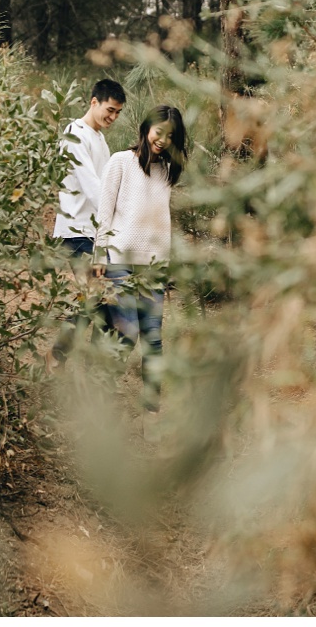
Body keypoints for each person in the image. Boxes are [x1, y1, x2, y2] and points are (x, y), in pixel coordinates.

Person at [93, 105, 187, 410]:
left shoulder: (168, 172)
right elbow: (104, 212)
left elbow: (161, 221)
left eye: (170, 135)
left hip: (154, 267)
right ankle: (100, 396)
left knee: (153, 341)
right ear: (147, 128)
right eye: (158, 131)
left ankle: (151, 409)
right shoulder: (121, 161)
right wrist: (98, 254)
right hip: (119, 261)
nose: (162, 139)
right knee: (128, 331)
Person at [49, 79, 125, 365]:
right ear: (93, 102)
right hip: (75, 230)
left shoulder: (100, 139)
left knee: (104, 302)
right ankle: (57, 356)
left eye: (118, 112)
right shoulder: (75, 133)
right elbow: (94, 187)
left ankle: (94, 368)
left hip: (95, 232)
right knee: (92, 297)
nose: (113, 117)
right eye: (110, 110)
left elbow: (107, 186)